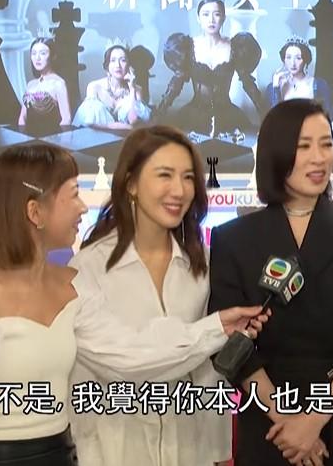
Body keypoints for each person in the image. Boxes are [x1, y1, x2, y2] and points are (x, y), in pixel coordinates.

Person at [0, 143, 268, 466]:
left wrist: (217, 327)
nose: (81, 206)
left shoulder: (73, 287)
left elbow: (130, 354)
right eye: (72, 194)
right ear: (35, 212)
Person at [208, 99, 333, 466]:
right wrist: (288, 424)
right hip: (269, 424)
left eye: (326, 144)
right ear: (276, 153)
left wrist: (314, 418)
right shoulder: (232, 239)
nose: (319, 158)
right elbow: (228, 342)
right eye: (303, 146)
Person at [68, 125, 231, 466]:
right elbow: (121, 360)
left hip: (188, 452)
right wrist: (216, 328)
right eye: (164, 175)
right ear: (130, 183)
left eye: (188, 177)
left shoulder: (204, 264)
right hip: (113, 452)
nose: (179, 190)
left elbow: (209, 375)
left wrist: (216, 452)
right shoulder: (89, 267)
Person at [157, 0, 266, 133]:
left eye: (217, 14)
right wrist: (159, 115)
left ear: (223, 18)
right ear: (198, 18)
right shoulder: (186, 46)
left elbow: (248, 84)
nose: (211, 20)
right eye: (205, 14)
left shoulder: (237, 46)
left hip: (228, 116)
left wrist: (265, 115)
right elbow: (175, 85)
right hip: (193, 116)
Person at [71, 45, 151, 130]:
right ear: (107, 65)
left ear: (129, 65)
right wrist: (120, 126)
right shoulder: (94, 87)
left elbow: (133, 121)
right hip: (97, 135)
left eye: (123, 60)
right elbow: (89, 122)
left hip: (125, 136)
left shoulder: (137, 89)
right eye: (113, 60)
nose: (118, 65)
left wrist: (132, 89)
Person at [265, 37, 333, 114]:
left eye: (298, 58)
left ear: (305, 60)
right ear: (284, 60)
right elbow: (273, 117)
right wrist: (276, 88)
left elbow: (325, 115)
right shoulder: (274, 86)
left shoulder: (319, 85)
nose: (293, 63)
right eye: (288, 57)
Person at [20, 37, 72, 136]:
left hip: (51, 138)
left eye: (43, 53)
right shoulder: (30, 85)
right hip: (29, 138)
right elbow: (22, 118)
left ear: (53, 56)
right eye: (34, 53)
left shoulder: (58, 83)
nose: (37, 58)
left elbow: (66, 119)